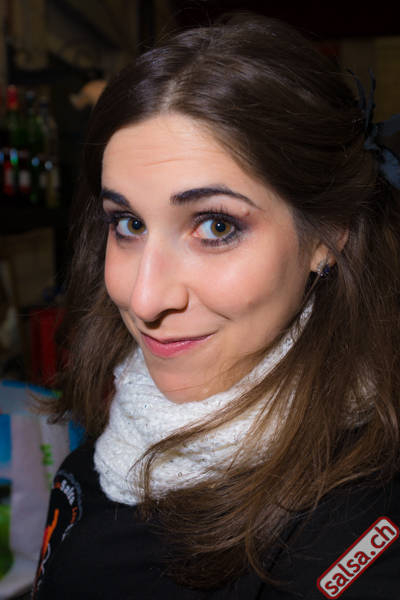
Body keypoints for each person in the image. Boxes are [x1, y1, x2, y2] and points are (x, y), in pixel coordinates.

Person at [32, 12, 400, 599]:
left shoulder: (356, 532)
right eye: (128, 223)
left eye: (216, 226)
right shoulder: (103, 456)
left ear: (328, 236)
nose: (145, 298)